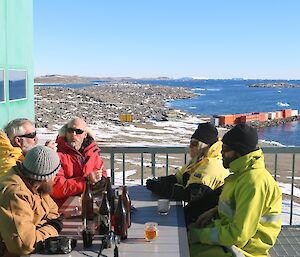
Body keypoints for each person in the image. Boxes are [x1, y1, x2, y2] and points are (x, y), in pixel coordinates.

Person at [188, 124, 282, 257]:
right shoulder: (241, 175)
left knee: (185, 249)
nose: (221, 153)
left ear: (239, 152)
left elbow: (239, 235)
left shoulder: (253, 182)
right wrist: (214, 211)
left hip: (246, 250)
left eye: (226, 150)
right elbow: (237, 208)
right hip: (231, 241)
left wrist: (198, 236)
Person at [146, 123, 229, 214]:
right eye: (190, 142)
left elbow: (191, 194)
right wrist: (161, 181)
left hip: (205, 217)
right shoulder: (198, 160)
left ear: (205, 146)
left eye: (194, 143)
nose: (190, 147)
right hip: (196, 210)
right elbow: (179, 177)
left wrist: (162, 188)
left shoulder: (212, 165)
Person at [0, 146, 63, 256]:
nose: (55, 179)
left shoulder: (34, 184)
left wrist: (37, 230)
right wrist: (52, 228)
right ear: (47, 178)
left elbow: (53, 210)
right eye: (54, 175)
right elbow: (24, 245)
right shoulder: (16, 194)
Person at [51, 117, 108, 207]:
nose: (73, 135)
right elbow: (57, 188)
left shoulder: (92, 153)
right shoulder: (56, 154)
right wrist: (86, 181)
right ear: (65, 133)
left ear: (85, 134)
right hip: (63, 208)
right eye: (70, 131)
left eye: (78, 132)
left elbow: (102, 173)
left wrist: (100, 180)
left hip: (90, 204)